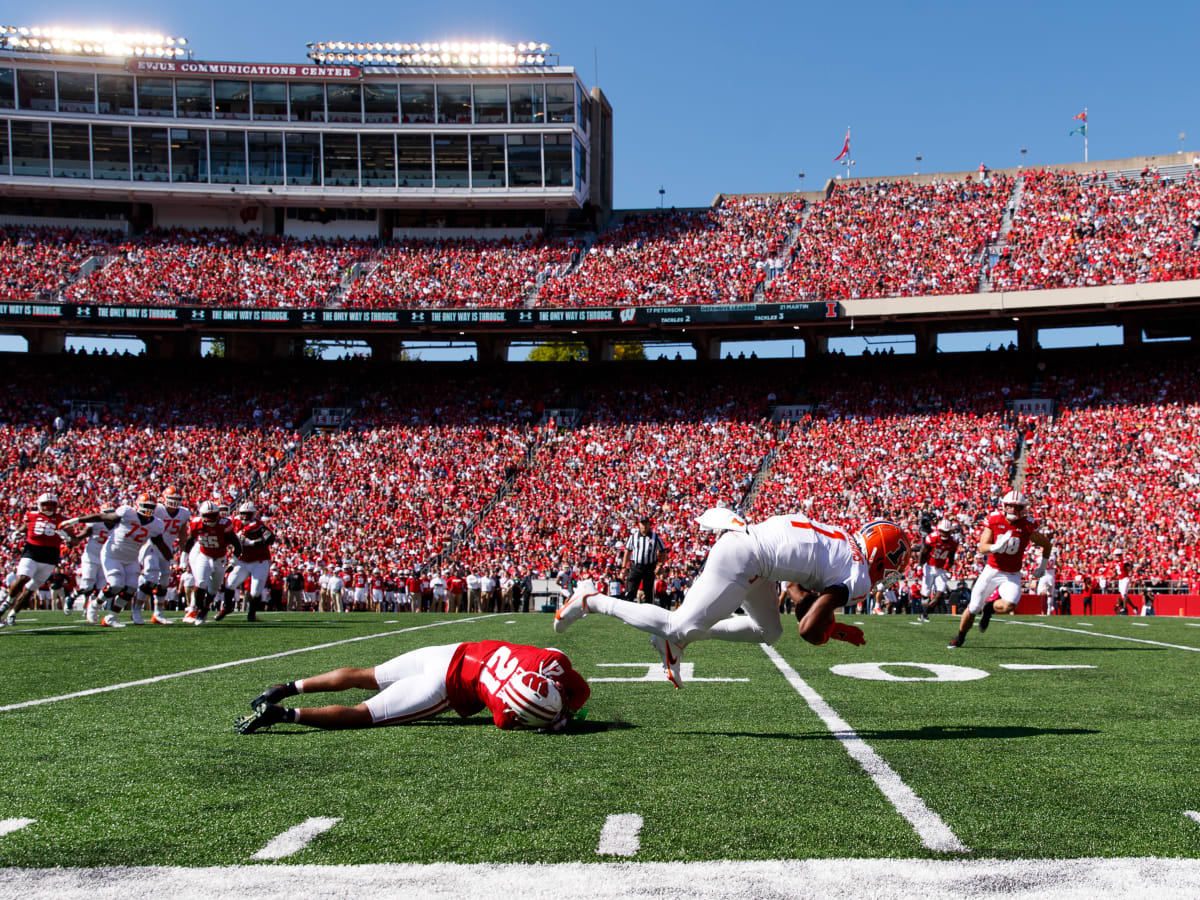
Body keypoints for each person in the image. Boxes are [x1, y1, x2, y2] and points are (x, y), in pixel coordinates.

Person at [554, 509, 909, 689]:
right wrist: (833, 631)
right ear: (883, 557)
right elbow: (808, 629)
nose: (892, 574)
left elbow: (794, 587)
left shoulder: (840, 538)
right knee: (677, 624)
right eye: (895, 564)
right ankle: (591, 599)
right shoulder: (858, 575)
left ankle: (676, 644)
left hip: (756, 555)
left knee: (768, 631)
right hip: (745, 558)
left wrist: (830, 622)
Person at [235, 640, 590, 734]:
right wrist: (562, 719)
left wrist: (561, 702)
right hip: (443, 686)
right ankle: (285, 714)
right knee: (363, 715)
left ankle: (285, 687)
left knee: (364, 674)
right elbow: (511, 720)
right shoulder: (505, 710)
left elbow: (568, 677)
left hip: (447, 651)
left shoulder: (547, 662)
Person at [947, 490, 1052, 649]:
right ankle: (960, 637)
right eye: (1010, 506)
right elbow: (982, 547)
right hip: (992, 570)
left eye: (1017, 507)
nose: (1013, 510)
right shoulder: (995, 519)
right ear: (1004, 506)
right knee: (974, 607)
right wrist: (995, 546)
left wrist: (1042, 567)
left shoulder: (1027, 525)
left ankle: (989, 608)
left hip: (1012, 574)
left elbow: (1046, 545)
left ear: (1023, 509)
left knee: (1010, 604)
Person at [64, 495, 174, 628]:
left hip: (131, 558)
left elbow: (160, 543)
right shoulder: (127, 513)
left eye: (151, 507)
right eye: (146, 506)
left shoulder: (156, 524)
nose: (148, 510)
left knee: (131, 588)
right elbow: (102, 517)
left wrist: (170, 559)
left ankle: (111, 617)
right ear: (137, 504)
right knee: (115, 585)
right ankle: (95, 604)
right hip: (112, 555)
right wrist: (76, 520)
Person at [0, 493, 78, 628]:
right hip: (32, 551)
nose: (48, 507)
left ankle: (12, 614)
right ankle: (7, 602)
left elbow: (75, 541)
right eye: (45, 504)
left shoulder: (63, 520)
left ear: (56, 506)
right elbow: (24, 528)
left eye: (51, 504)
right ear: (39, 505)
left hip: (50, 556)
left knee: (31, 589)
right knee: (23, 578)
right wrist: (16, 533)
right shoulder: (31, 515)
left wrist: (67, 538)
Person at [179, 500, 243, 625]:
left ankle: (206, 607)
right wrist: (183, 558)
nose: (211, 518)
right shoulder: (195, 523)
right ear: (202, 515)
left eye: (214, 515)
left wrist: (233, 562)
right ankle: (199, 610)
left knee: (213, 589)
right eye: (208, 516)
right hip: (204, 555)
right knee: (201, 583)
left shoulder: (224, 524)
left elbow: (237, 546)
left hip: (220, 559)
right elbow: (189, 541)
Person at [916, 518, 958, 622]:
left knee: (939, 594)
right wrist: (920, 566)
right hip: (929, 567)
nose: (945, 533)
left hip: (941, 569)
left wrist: (948, 567)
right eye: (943, 531)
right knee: (925, 593)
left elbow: (951, 557)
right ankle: (922, 612)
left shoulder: (953, 542)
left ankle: (924, 614)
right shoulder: (932, 538)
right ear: (939, 530)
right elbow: (922, 552)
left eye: (947, 532)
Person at [621, 516, 668, 605]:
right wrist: (624, 567)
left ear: (649, 524)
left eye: (646, 523)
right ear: (639, 525)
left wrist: (660, 565)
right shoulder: (633, 537)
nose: (644, 526)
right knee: (630, 592)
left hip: (649, 568)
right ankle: (628, 616)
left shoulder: (655, 537)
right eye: (642, 523)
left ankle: (648, 616)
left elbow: (663, 551)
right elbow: (627, 551)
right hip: (636, 567)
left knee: (649, 594)